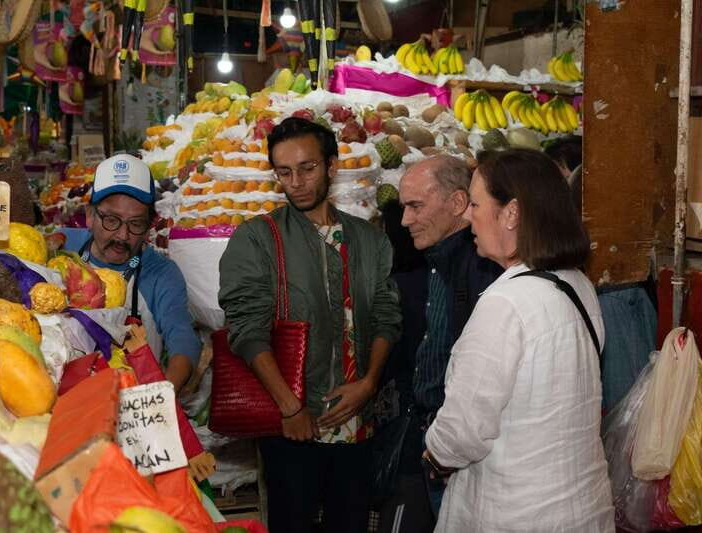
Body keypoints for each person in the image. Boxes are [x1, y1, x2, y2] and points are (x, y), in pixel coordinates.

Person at [218, 117, 401, 533]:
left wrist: (370, 383)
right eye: (284, 172)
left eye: (307, 168)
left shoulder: (369, 240)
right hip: (293, 427)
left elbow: (388, 317)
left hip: (357, 426)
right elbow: (246, 328)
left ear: (332, 166)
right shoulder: (257, 239)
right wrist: (290, 407)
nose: (295, 182)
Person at [424, 148, 614, 532]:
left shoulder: (505, 303)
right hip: (581, 507)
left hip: (515, 512)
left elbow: (463, 430)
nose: (466, 215)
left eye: (475, 203)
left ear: (510, 213)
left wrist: (434, 457)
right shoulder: (577, 284)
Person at [379, 156, 499, 531]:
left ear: (458, 203)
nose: (404, 220)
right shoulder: (434, 262)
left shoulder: (482, 269)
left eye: (416, 206)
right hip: (432, 444)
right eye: (404, 207)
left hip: (460, 456)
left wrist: (445, 450)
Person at [65, 154, 201, 391]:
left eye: (136, 224)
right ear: (89, 215)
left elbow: (183, 340)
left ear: (149, 225)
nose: (122, 236)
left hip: (134, 407)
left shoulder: (161, 274)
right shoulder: (62, 250)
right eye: (111, 220)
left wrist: (162, 399)